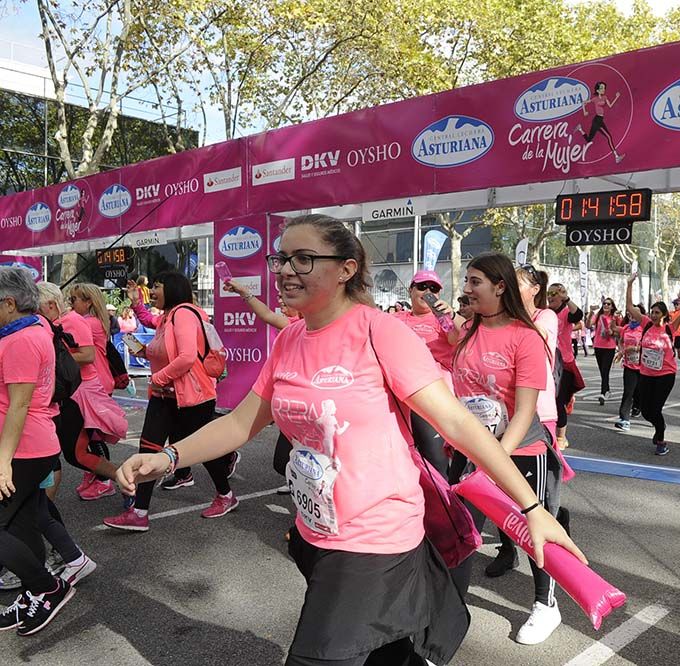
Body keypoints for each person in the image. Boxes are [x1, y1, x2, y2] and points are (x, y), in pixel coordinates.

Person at [115, 217, 583, 665]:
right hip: (314, 534)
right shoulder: (291, 338)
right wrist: (168, 457)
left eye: (303, 259)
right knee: (385, 655)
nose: (285, 271)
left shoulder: (380, 332)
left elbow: (459, 425)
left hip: (376, 539)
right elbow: (241, 423)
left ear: (346, 268)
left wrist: (532, 508)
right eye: (281, 259)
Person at [450, 253, 565, 645]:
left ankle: (545, 604)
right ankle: (446, 614)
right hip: (473, 451)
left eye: (475, 281)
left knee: (534, 528)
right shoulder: (467, 331)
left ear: (501, 287)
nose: (467, 289)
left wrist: (494, 458)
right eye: (467, 281)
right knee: (460, 530)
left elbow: (525, 409)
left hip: (522, 450)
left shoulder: (526, 336)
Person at [104, 271, 239, 531]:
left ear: (173, 288)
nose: (150, 290)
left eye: (156, 285)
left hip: (192, 399)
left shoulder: (184, 314)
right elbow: (150, 329)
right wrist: (135, 306)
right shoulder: (167, 317)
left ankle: (226, 494)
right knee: (148, 450)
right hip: (164, 397)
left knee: (203, 452)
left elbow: (187, 357)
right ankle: (139, 512)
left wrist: (158, 378)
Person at [0, 268, 76, 636]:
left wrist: (2, 463)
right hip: (30, 444)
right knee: (22, 523)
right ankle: (34, 592)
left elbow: (19, 405)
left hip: (22, 449)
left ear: (10, 303)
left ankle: (47, 586)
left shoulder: (20, 340)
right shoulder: (29, 329)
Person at [485, 264, 563, 579]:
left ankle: (546, 590)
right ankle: (507, 549)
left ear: (534, 289)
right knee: (501, 492)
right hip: (503, 416)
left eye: (516, 283)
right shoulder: (501, 319)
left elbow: (534, 337)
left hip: (537, 418)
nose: (508, 288)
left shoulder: (545, 317)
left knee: (536, 500)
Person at [222, 278, 300, 495]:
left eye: (288, 298)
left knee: (289, 460)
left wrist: (244, 292)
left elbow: (266, 315)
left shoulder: (294, 326)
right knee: (285, 461)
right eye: (281, 298)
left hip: (304, 409)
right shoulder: (290, 325)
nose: (282, 301)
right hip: (289, 406)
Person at [53, 283, 128, 501]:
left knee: (92, 440)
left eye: (74, 299)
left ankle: (105, 480)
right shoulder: (91, 321)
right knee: (85, 440)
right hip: (93, 382)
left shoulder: (88, 322)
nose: (71, 303)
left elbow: (86, 354)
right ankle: (98, 475)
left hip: (92, 384)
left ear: (89, 302)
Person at [395, 269, 462, 476]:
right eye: (422, 287)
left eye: (433, 288)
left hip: (432, 394)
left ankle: (446, 504)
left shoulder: (441, 319)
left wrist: (451, 315)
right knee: (403, 457)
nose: (427, 291)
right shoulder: (397, 318)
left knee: (435, 459)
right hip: (399, 393)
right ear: (411, 290)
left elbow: (457, 338)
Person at [624, 275, 680, 455]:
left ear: (664, 315)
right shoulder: (646, 324)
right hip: (646, 374)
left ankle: (661, 438)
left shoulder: (670, 327)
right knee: (646, 411)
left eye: (657, 313)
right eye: (652, 312)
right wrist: (629, 285)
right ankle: (659, 425)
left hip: (665, 375)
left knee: (655, 408)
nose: (653, 315)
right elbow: (630, 307)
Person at [547, 283, 585, 449]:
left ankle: (561, 437)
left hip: (564, 364)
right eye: (549, 292)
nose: (551, 296)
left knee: (558, 401)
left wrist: (567, 299)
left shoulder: (565, 312)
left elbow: (578, 315)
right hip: (546, 361)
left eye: (555, 293)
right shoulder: (545, 312)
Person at [574, 81, 625, 163]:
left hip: (599, 119)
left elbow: (610, 105)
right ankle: (616, 157)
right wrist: (584, 111)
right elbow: (584, 102)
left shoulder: (605, 97)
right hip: (597, 120)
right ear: (597, 90)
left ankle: (580, 129)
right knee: (608, 137)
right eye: (601, 88)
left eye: (604, 88)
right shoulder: (595, 99)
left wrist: (616, 97)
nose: (603, 89)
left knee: (589, 140)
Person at [613, 307, 645, 430]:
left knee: (641, 392)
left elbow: (649, 344)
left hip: (643, 366)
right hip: (630, 365)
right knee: (628, 392)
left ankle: (648, 413)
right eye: (630, 313)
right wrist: (621, 350)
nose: (631, 315)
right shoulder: (626, 327)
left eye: (635, 312)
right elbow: (620, 341)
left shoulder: (644, 328)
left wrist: (635, 349)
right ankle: (624, 419)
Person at [589, 297, 619, 404]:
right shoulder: (598, 316)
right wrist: (590, 313)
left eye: (609, 304)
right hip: (598, 346)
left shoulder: (615, 317)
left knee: (605, 370)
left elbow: (619, 332)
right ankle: (607, 390)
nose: (606, 305)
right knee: (602, 370)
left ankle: (603, 393)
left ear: (612, 306)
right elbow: (588, 325)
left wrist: (612, 332)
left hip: (609, 347)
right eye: (604, 304)